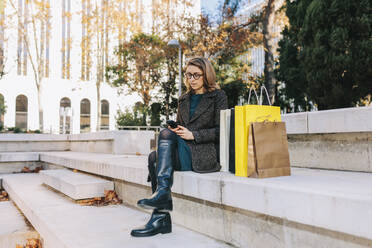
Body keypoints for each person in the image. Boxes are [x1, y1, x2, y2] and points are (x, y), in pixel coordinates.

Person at [130, 57, 228, 237]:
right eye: (188, 75)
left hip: (203, 153)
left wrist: (194, 135)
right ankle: (160, 214)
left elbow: (222, 131)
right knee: (154, 156)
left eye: (196, 75)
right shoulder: (183, 99)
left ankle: (161, 208)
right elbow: (181, 126)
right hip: (184, 149)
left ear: (206, 75)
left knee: (162, 140)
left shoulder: (218, 97)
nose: (192, 79)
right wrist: (176, 129)